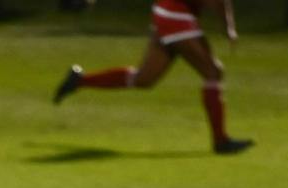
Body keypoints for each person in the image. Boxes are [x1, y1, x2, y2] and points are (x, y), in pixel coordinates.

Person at [51, 0, 252, 156]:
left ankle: (80, 80)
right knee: (213, 73)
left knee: (144, 79)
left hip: (165, 12)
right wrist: (229, 28)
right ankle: (220, 141)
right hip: (175, 16)